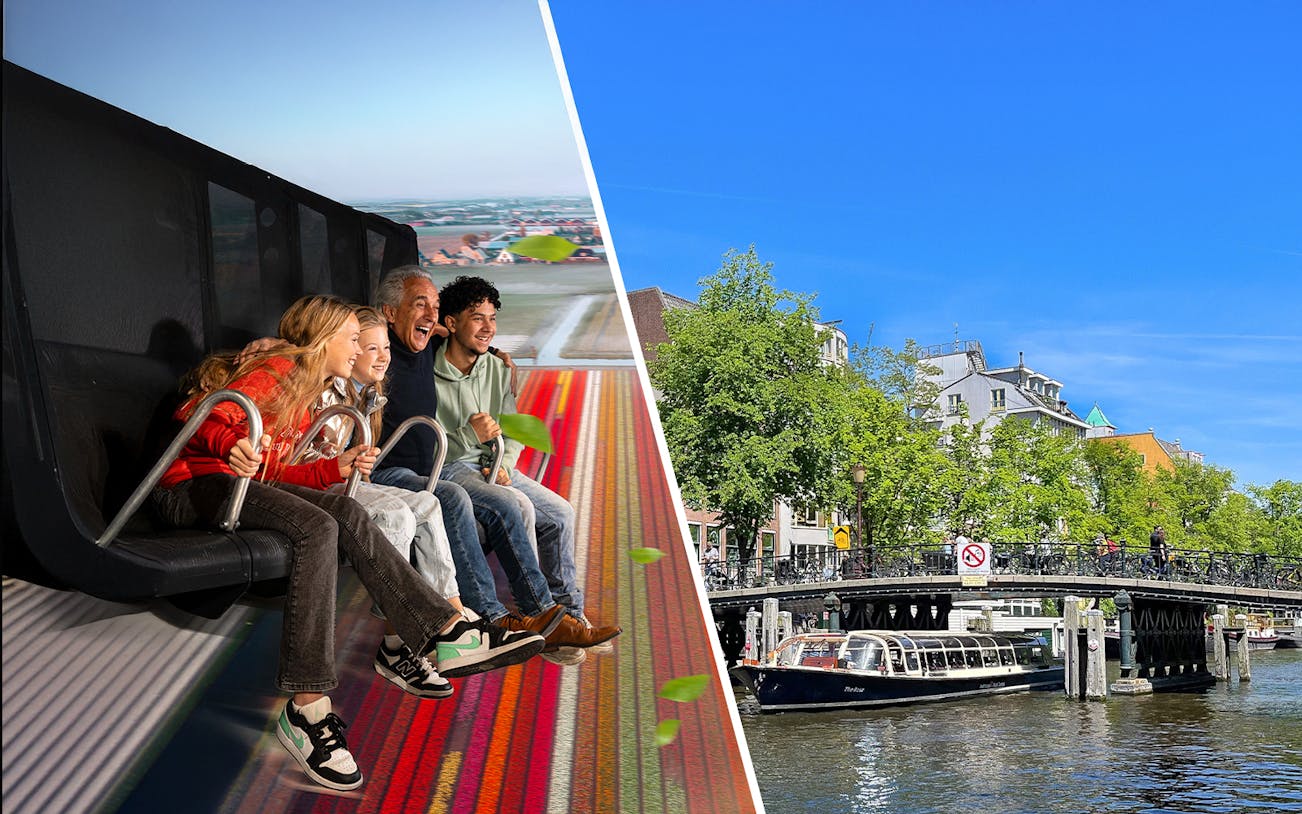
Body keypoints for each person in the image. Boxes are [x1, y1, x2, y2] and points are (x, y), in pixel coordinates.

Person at [150, 295, 544, 790]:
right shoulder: (280, 367)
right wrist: (228, 442)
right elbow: (199, 412)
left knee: (344, 510)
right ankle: (309, 706)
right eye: (353, 339)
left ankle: (443, 628)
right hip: (189, 490)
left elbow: (276, 470)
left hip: (242, 489)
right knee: (317, 527)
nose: (361, 349)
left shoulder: (312, 390)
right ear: (324, 340)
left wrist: (325, 471)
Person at [368, 266, 616, 655]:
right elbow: (341, 330)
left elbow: (510, 425)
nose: (487, 327)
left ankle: (564, 616)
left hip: (485, 464)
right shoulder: (406, 355)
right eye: (477, 318)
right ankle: (514, 617)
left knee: (561, 513)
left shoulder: (479, 359)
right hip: (443, 465)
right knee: (503, 503)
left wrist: (505, 461)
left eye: (492, 319)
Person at [295, 305, 476, 699]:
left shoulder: (367, 396)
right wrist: (342, 464)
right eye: (364, 345)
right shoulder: (323, 388)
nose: (380, 356)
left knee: (428, 505)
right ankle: (404, 640)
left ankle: (453, 614)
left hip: (342, 480)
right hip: (316, 486)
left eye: (383, 348)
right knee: (396, 515)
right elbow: (306, 456)